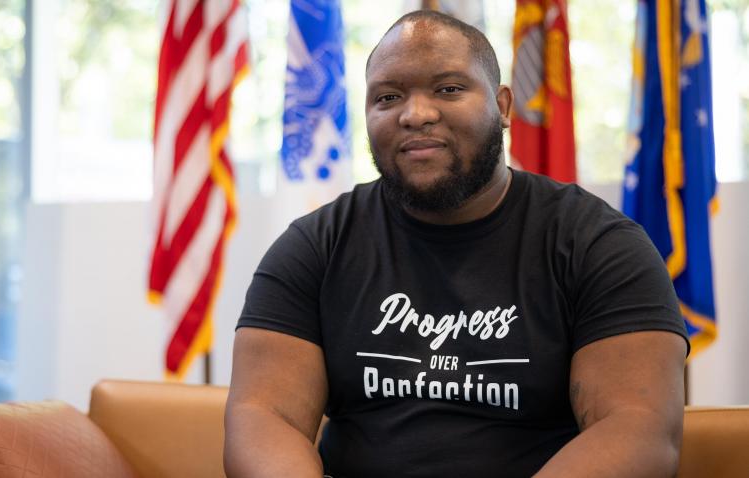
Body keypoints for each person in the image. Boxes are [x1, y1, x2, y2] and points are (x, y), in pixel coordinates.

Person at [224, 10, 688, 478]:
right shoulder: (315, 245)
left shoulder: (599, 244)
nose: (416, 114)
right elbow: (263, 416)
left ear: (503, 107)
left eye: (448, 89)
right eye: (388, 97)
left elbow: (637, 428)